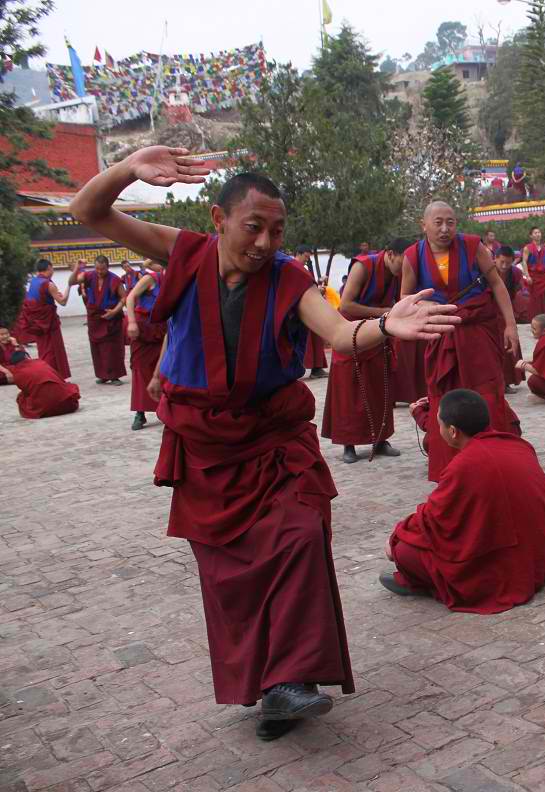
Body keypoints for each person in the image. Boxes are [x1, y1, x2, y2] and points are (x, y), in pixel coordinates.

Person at [68, 146, 461, 739]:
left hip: (271, 438)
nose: (265, 242)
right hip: (205, 445)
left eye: (277, 230)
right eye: (253, 227)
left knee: (300, 534)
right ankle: (265, 682)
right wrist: (128, 169)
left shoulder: (289, 277)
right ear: (217, 219)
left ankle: (292, 680)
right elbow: (87, 210)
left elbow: (337, 331)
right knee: (231, 573)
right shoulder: (183, 252)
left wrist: (386, 325)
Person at [381, 389, 545, 611]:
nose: (438, 430)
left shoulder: (464, 465)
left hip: (513, 570)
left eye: (439, 424)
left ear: (453, 431)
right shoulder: (518, 445)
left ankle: (428, 583)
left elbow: (435, 521)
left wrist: (396, 537)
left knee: (404, 552)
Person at [401, 202, 522, 482]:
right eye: (438, 223)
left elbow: (496, 284)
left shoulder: (471, 245)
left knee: (488, 394)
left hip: (477, 331)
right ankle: (451, 468)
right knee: (443, 397)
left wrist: (511, 326)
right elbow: (404, 301)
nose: (445, 229)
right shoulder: (412, 256)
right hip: (442, 335)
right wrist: (424, 309)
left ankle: (495, 461)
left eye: (451, 222)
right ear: (424, 224)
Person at [322, 240, 406, 464]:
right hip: (351, 334)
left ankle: (380, 440)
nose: (404, 269)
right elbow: (347, 305)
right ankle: (348, 444)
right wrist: (385, 313)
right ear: (389, 254)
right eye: (401, 262)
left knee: (380, 387)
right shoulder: (363, 266)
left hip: (378, 334)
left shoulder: (398, 273)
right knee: (349, 391)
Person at [69, 254, 127, 384]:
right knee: (97, 348)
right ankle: (103, 375)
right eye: (97, 269)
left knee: (112, 348)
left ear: (108, 267)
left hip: (111, 319)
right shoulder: (89, 275)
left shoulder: (115, 279)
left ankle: (115, 376)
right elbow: (71, 282)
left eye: (103, 269)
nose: (100, 272)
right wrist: (77, 267)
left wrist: (114, 311)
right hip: (95, 318)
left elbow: (124, 297)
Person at [0, 326, 81, 419]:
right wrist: (6, 371)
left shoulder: (18, 373)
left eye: (6, 334)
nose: (4, 336)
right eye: (1, 334)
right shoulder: (41, 362)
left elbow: (26, 392)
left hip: (46, 408)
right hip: (69, 405)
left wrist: (16, 344)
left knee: (21, 398)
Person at [123, 259, 166, 430]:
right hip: (142, 329)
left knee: (163, 368)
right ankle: (140, 413)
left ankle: (164, 408)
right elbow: (131, 297)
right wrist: (132, 322)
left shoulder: (178, 281)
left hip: (162, 330)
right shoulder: (152, 278)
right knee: (140, 368)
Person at [13, 259, 71, 379]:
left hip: (37, 323)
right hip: (48, 323)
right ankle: (53, 376)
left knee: (44, 350)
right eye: (52, 268)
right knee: (53, 351)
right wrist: (69, 286)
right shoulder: (48, 284)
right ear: (49, 268)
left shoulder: (34, 281)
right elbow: (63, 302)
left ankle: (47, 374)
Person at [494, 246, 526, 389]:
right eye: (501, 262)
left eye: (508, 263)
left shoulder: (516, 273)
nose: (505, 266)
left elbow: (517, 293)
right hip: (490, 314)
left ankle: (507, 381)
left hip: (506, 314)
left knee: (508, 345)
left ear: (513, 261)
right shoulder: (486, 272)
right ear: (495, 259)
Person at [294, 246, 327, 378]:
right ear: (298, 254)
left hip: (308, 308)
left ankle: (316, 368)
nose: (307, 260)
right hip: (297, 309)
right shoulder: (291, 268)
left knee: (315, 337)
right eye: (306, 257)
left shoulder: (303, 269)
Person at [520, 226, 545, 320]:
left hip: (544, 277)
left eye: (539, 232)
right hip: (534, 278)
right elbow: (524, 262)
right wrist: (527, 276)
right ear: (531, 236)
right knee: (535, 299)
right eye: (535, 233)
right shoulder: (527, 248)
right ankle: (536, 319)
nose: (538, 234)